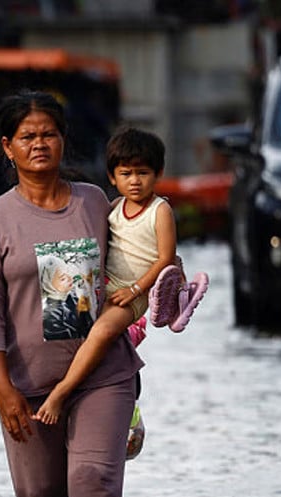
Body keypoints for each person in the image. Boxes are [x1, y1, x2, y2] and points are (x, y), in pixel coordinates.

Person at [0, 89, 144, 497]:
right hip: (27, 385)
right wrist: (4, 391)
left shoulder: (94, 203)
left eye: (49, 134)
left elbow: (134, 268)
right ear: (8, 147)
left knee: (92, 480)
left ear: (63, 141)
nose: (39, 144)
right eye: (27, 136)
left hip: (103, 376)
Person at [33, 126, 208, 425]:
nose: (135, 181)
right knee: (61, 316)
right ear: (113, 177)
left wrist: (136, 290)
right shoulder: (114, 208)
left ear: (158, 173)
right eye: (126, 174)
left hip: (136, 293)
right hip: (108, 284)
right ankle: (58, 379)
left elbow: (165, 257)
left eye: (142, 173)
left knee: (101, 332)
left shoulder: (159, 211)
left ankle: (62, 392)